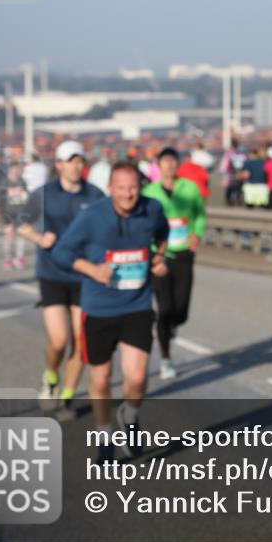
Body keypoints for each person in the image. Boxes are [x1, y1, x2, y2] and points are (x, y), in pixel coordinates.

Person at [53, 162, 169, 464]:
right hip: (99, 309)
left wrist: (159, 258)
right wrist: (92, 270)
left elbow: (163, 232)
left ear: (140, 187)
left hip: (137, 305)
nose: (128, 194)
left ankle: (129, 415)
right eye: (121, 188)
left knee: (138, 376)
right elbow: (61, 252)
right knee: (102, 378)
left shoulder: (152, 209)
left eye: (133, 188)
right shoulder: (93, 216)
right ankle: (104, 434)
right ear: (110, 189)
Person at [17, 140, 106, 419]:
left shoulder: (95, 195)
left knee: (81, 340)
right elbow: (21, 225)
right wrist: (39, 238)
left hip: (84, 275)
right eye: (70, 161)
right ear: (59, 165)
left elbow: (106, 228)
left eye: (80, 161)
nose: (76, 166)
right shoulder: (44, 194)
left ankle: (67, 396)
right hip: (52, 274)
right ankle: (51, 375)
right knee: (59, 340)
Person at [142, 147, 206, 379]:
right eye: (165, 161)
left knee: (181, 310)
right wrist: (151, 254)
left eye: (172, 161)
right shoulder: (149, 191)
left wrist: (197, 233)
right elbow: (144, 223)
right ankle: (166, 359)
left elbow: (200, 213)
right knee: (165, 308)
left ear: (178, 164)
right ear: (158, 165)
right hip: (160, 256)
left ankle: (172, 326)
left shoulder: (190, 188)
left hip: (184, 253)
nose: (169, 165)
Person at [0, 161, 29, 270]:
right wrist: (1, 213)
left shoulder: (22, 181)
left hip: (21, 212)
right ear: (9, 170)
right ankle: (8, 259)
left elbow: (26, 196)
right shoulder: (4, 182)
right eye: (13, 169)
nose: (16, 172)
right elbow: (0, 199)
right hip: (8, 213)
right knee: (9, 235)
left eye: (17, 169)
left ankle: (19, 257)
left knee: (21, 234)